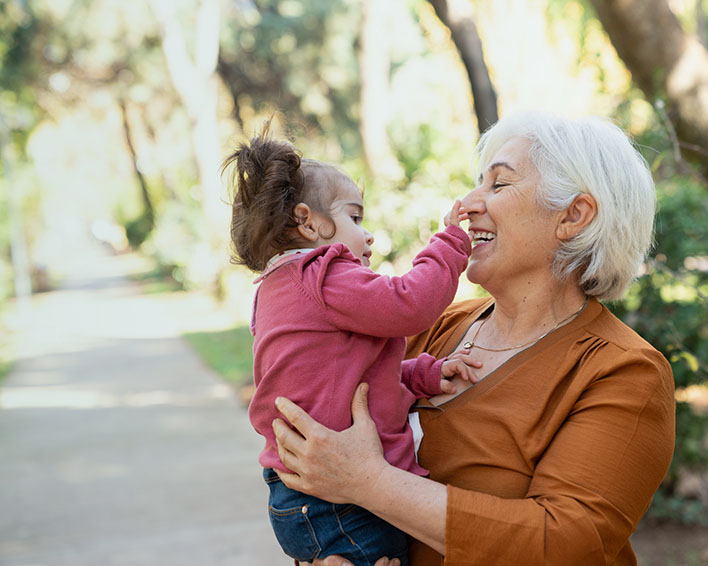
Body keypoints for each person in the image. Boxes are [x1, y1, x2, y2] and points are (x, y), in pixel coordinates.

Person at [270, 110, 676, 566]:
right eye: (477, 182)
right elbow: (318, 461)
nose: (469, 201)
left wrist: (371, 482)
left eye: (498, 185)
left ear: (574, 215)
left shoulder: (623, 372)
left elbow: (565, 543)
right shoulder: (431, 329)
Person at [223, 126, 484, 566]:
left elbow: (346, 379)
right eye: (355, 218)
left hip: (298, 496)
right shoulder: (323, 274)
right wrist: (450, 243)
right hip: (339, 504)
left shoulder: (276, 290)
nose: (369, 236)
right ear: (308, 222)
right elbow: (411, 304)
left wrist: (424, 373)